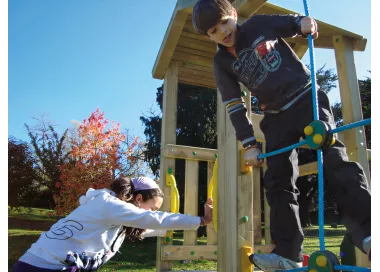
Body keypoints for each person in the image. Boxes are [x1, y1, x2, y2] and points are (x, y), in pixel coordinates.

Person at [192, 0, 374, 271]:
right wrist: (249, 143)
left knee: (332, 155)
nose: (222, 32)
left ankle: (371, 233)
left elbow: (288, 23)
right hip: (275, 116)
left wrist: (301, 24)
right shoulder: (221, 62)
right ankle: (288, 252)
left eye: (224, 23)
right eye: (213, 32)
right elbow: (234, 105)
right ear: (208, 37)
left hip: (305, 97)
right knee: (277, 180)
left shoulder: (256, 26)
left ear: (233, 15)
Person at [12, 176, 213, 271]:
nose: (155, 212)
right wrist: (201, 220)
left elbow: (149, 226)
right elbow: (155, 220)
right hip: (43, 267)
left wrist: (164, 230)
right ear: (139, 199)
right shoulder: (111, 205)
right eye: (153, 207)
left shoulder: (114, 214)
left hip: (43, 263)